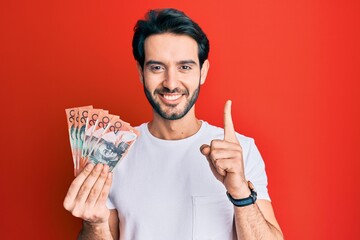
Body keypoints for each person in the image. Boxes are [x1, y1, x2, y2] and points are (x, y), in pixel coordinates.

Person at [64, 8, 284, 240]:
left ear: (203, 72)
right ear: (141, 72)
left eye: (185, 67)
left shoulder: (241, 152)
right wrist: (95, 224)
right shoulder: (113, 152)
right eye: (157, 67)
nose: (170, 83)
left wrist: (239, 191)